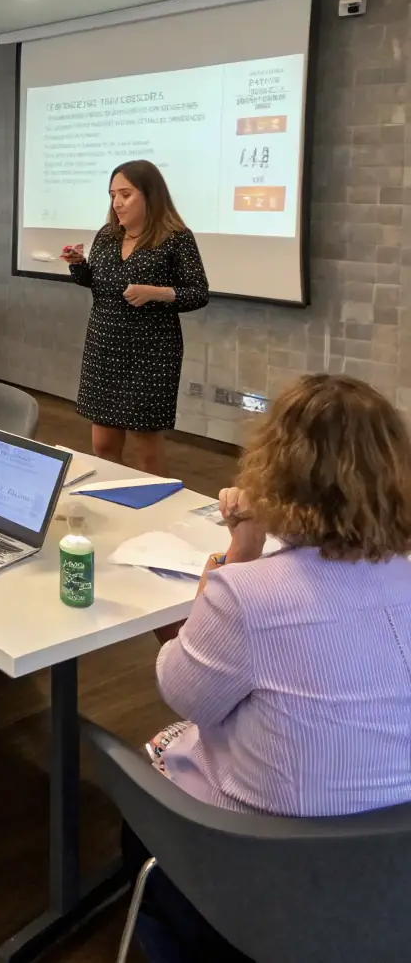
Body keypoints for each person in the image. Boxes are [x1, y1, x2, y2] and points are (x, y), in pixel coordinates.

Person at [128, 373, 411, 962]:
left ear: (274, 469)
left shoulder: (247, 595)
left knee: (156, 769)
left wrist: (232, 564)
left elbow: (182, 693)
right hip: (391, 870)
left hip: (267, 862)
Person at [61, 160, 208, 475]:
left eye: (125, 194)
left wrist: (156, 293)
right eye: (113, 194)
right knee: (102, 445)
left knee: (146, 450)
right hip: (104, 348)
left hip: (150, 354)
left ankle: (154, 509)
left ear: (150, 195)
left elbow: (198, 293)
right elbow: (98, 283)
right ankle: (115, 501)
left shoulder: (176, 237)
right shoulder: (107, 236)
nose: (117, 203)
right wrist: (78, 266)